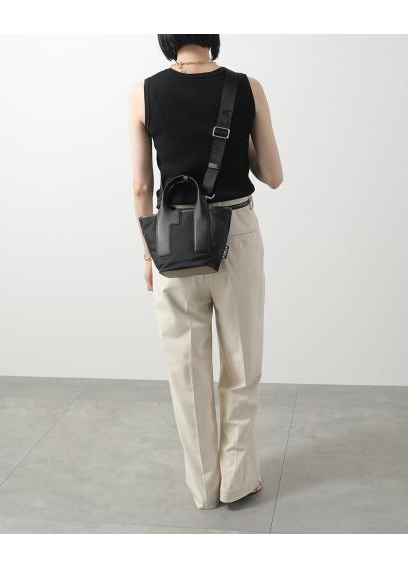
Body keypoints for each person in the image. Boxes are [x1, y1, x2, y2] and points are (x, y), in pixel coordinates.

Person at [128, 34, 283, 510]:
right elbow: (273, 175)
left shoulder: (143, 93)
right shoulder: (247, 87)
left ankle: (204, 488)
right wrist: (237, 143)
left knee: (186, 371)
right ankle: (238, 480)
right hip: (235, 232)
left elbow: (141, 187)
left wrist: (149, 257)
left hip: (175, 240)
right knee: (242, 363)